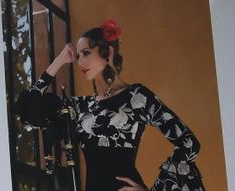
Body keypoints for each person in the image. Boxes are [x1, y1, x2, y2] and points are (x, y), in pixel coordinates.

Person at [16, 20, 205, 191]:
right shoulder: (81, 108)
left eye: (86, 53)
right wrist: (59, 61)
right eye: (78, 55)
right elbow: (32, 112)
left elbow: (189, 144)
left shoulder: (137, 96)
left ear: (108, 52)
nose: (80, 61)